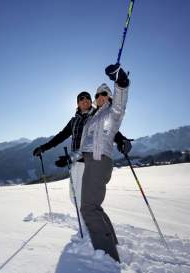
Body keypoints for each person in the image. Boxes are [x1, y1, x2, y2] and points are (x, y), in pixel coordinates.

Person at [32, 90, 132, 239]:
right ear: (78, 103)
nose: (84, 100)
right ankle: (97, 231)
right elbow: (60, 136)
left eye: (87, 98)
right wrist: (43, 148)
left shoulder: (96, 115)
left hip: (89, 162)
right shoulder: (74, 121)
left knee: (85, 201)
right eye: (81, 99)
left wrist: (122, 140)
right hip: (74, 162)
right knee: (74, 197)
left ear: (90, 101)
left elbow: (111, 129)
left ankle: (89, 233)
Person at [78, 63, 130, 262]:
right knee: (94, 207)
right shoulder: (93, 117)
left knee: (88, 208)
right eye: (97, 94)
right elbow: (87, 144)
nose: (100, 97)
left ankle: (108, 256)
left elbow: (120, 104)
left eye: (104, 94)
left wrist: (121, 81)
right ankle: (112, 244)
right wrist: (73, 157)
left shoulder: (112, 112)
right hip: (91, 162)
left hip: (100, 162)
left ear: (109, 96)